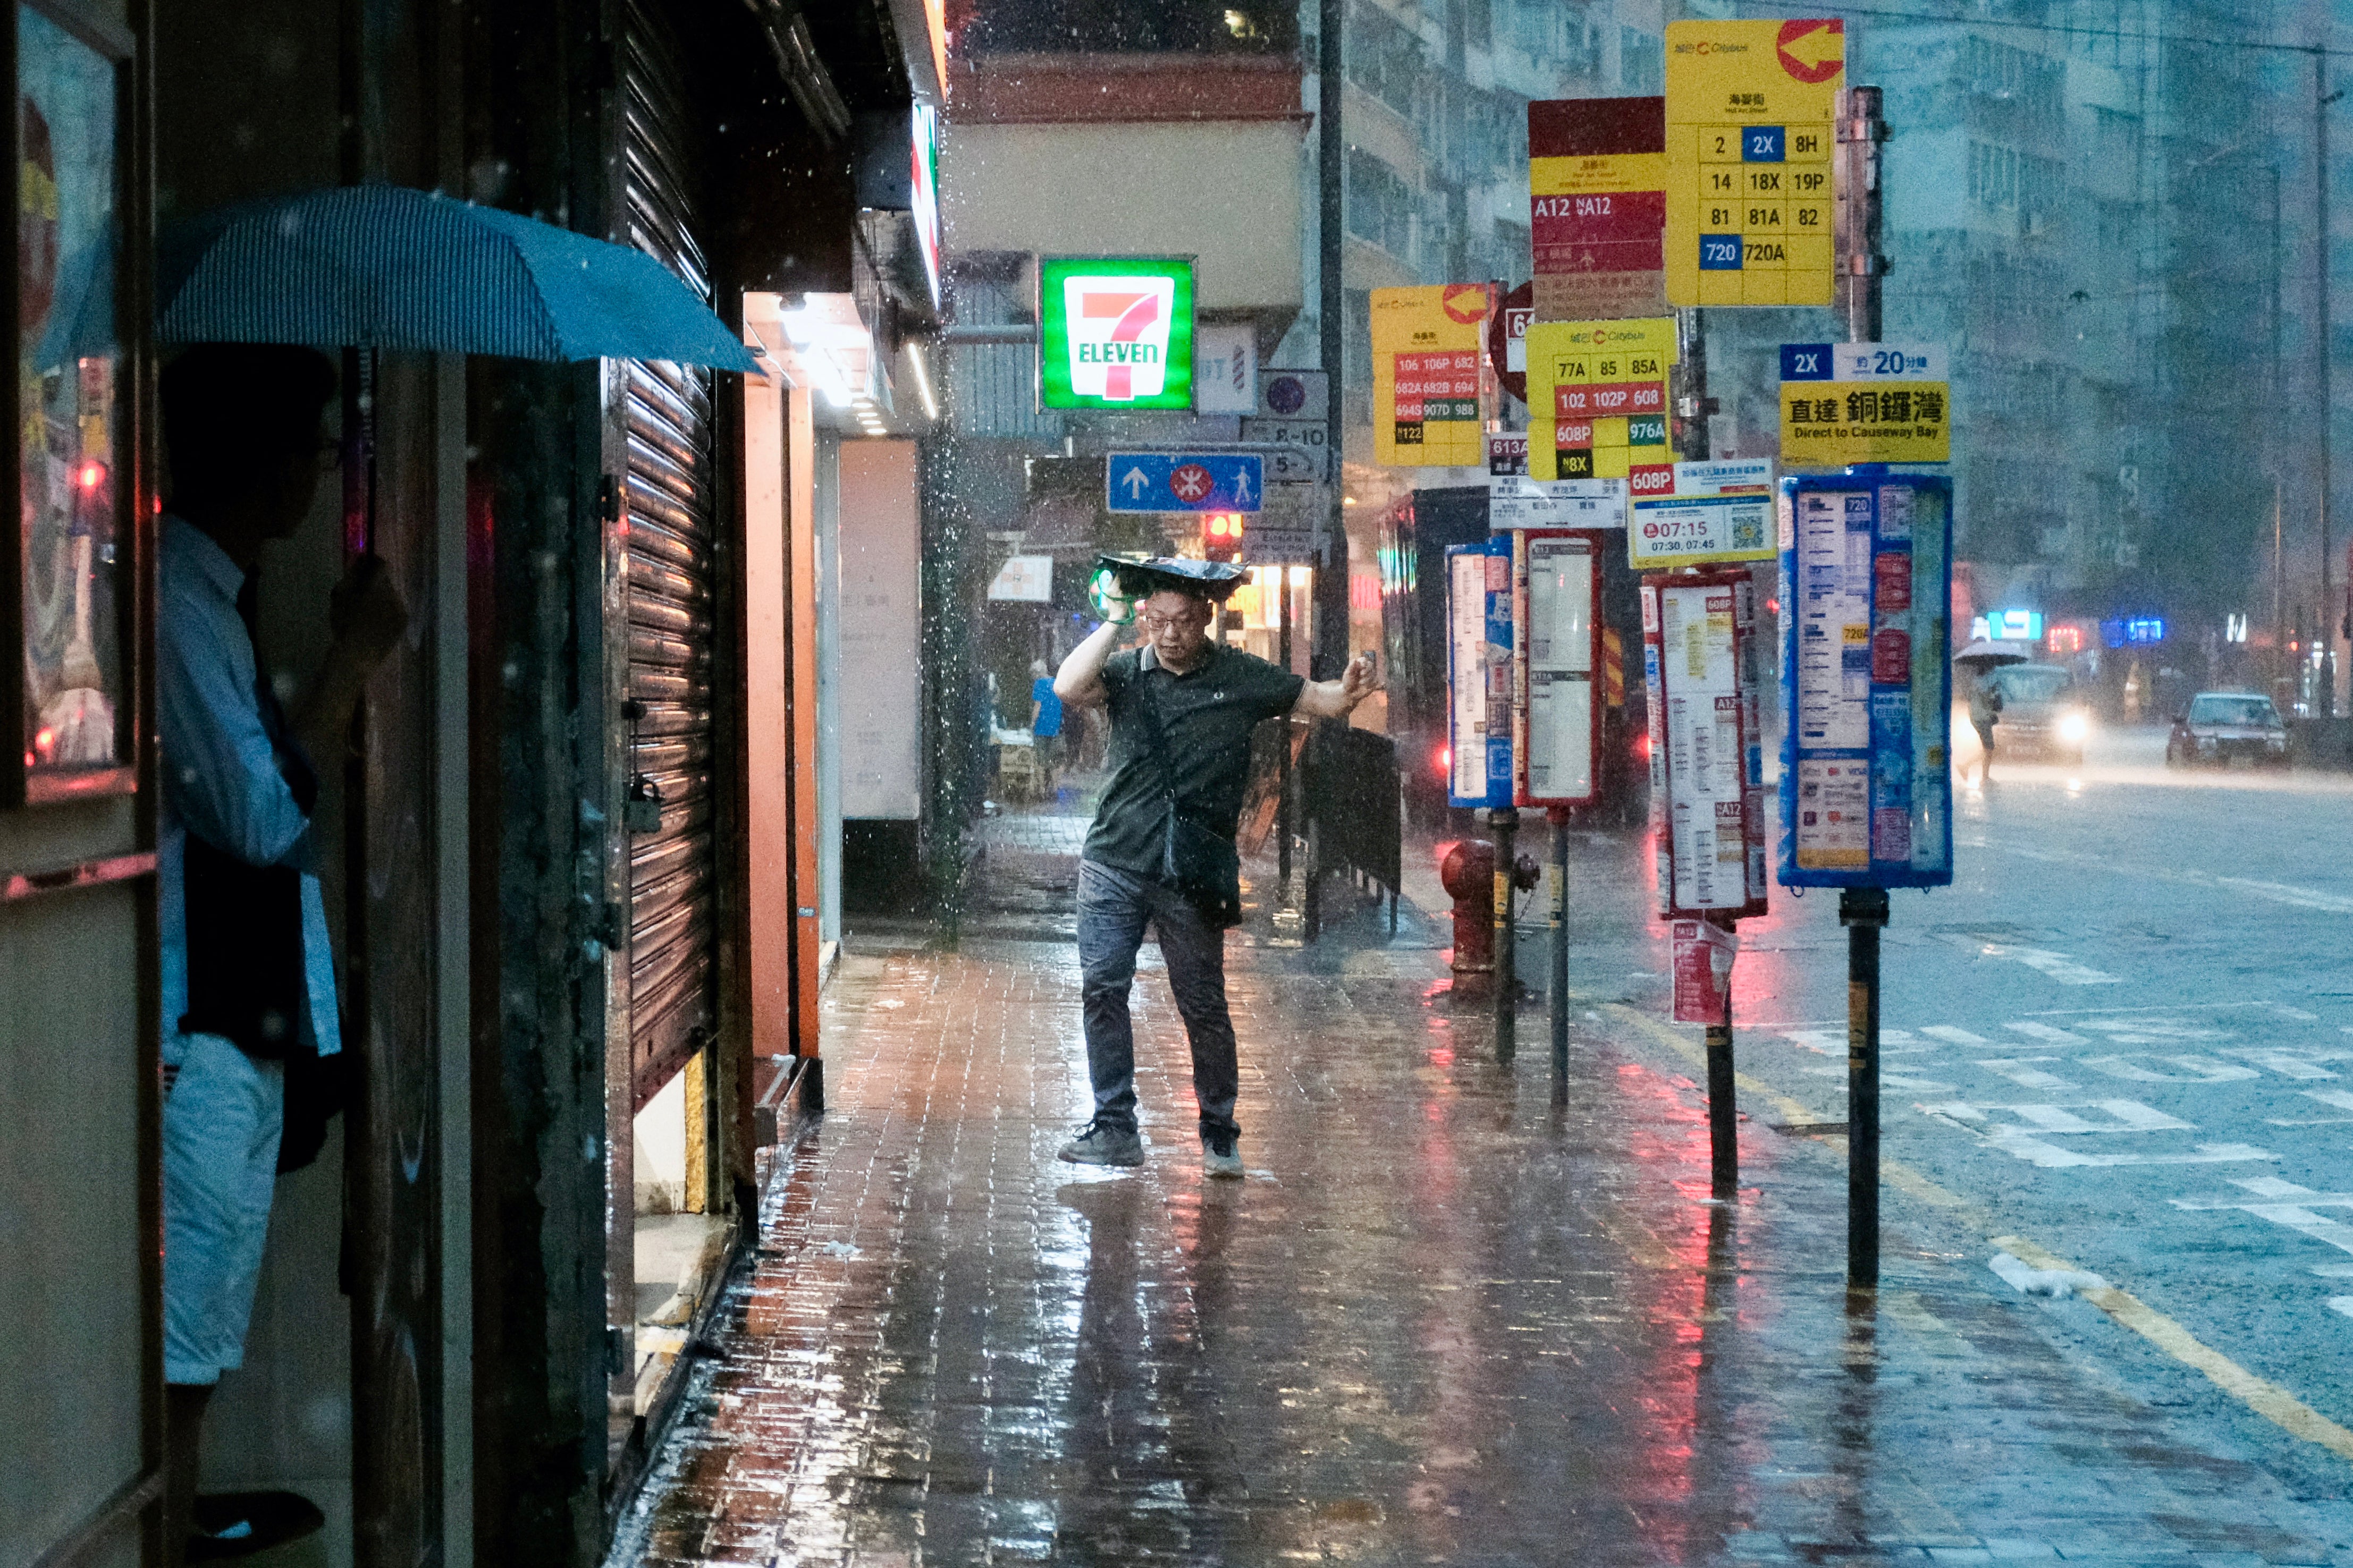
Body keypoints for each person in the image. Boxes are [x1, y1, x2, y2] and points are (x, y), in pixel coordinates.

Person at [156, 344, 408, 1564]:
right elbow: (256, 820)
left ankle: (177, 1512)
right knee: (184, 1330)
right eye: (312, 448)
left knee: (205, 1315)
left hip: (243, 1025)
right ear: (258, 461)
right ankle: (166, 1524)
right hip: (200, 1026)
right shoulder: (175, 604)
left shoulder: (218, 598)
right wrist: (352, 664)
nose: (320, 471)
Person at [1051, 572, 1378, 1178]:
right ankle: (1115, 1126)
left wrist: (1350, 689)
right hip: (1114, 860)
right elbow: (1068, 686)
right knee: (1102, 987)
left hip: (1190, 869)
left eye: (1182, 621)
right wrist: (1116, 620)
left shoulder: (1241, 675)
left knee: (1201, 1001)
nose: (1170, 635)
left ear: (1205, 617)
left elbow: (1322, 700)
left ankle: (1219, 1129)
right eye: (1158, 621)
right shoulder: (1125, 672)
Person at [1029, 658, 1064, 790]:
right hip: (1055, 727)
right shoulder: (1056, 683)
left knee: (1041, 761)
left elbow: (1038, 706)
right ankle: (1055, 788)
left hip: (1042, 728)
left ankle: (1042, 789)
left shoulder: (1039, 684)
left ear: (1036, 673)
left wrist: (1032, 723)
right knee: (1054, 762)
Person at [1969, 671, 2004, 784]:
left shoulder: (1980, 680)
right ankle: (1968, 767)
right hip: (1982, 718)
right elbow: (1985, 700)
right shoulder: (1980, 682)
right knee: (1989, 748)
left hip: (1981, 717)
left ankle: (1985, 775)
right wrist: (1993, 691)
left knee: (1988, 748)